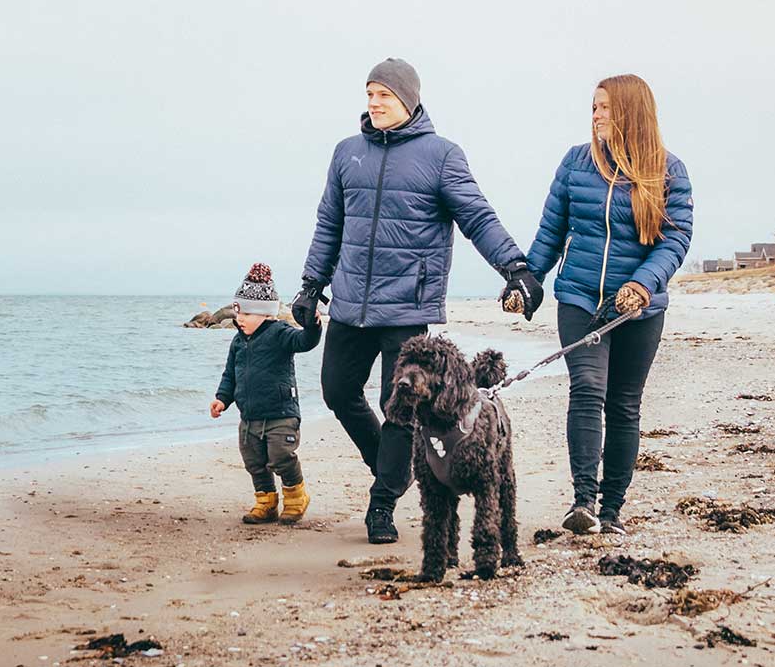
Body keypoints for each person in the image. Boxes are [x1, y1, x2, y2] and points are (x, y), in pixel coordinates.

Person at [294, 58, 540, 544]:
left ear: (407, 99)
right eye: (368, 94)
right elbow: (329, 225)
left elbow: (476, 217)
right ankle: (396, 468)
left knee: (400, 408)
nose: (373, 103)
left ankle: (381, 504)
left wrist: (516, 269)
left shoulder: (441, 155)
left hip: (407, 305)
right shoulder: (347, 154)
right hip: (349, 302)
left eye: (383, 94)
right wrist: (309, 285)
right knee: (337, 390)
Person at [519, 74, 694, 536]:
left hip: (638, 308)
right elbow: (550, 234)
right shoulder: (576, 164)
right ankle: (583, 502)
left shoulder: (668, 171)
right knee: (587, 388)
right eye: (593, 107)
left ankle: (613, 509)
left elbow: (675, 240)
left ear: (630, 112)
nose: (595, 115)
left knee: (623, 405)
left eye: (604, 107)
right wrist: (526, 282)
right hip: (579, 298)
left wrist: (643, 285)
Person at [212, 263, 323, 524]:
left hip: (281, 414)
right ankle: (266, 503)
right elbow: (230, 374)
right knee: (255, 462)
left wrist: (313, 326)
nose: (240, 318)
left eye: (248, 313)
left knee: (281, 457)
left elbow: (304, 342)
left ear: (267, 314)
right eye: (238, 312)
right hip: (250, 416)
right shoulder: (238, 341)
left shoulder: (279, 333)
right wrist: (221, 398)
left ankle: (296, 498)